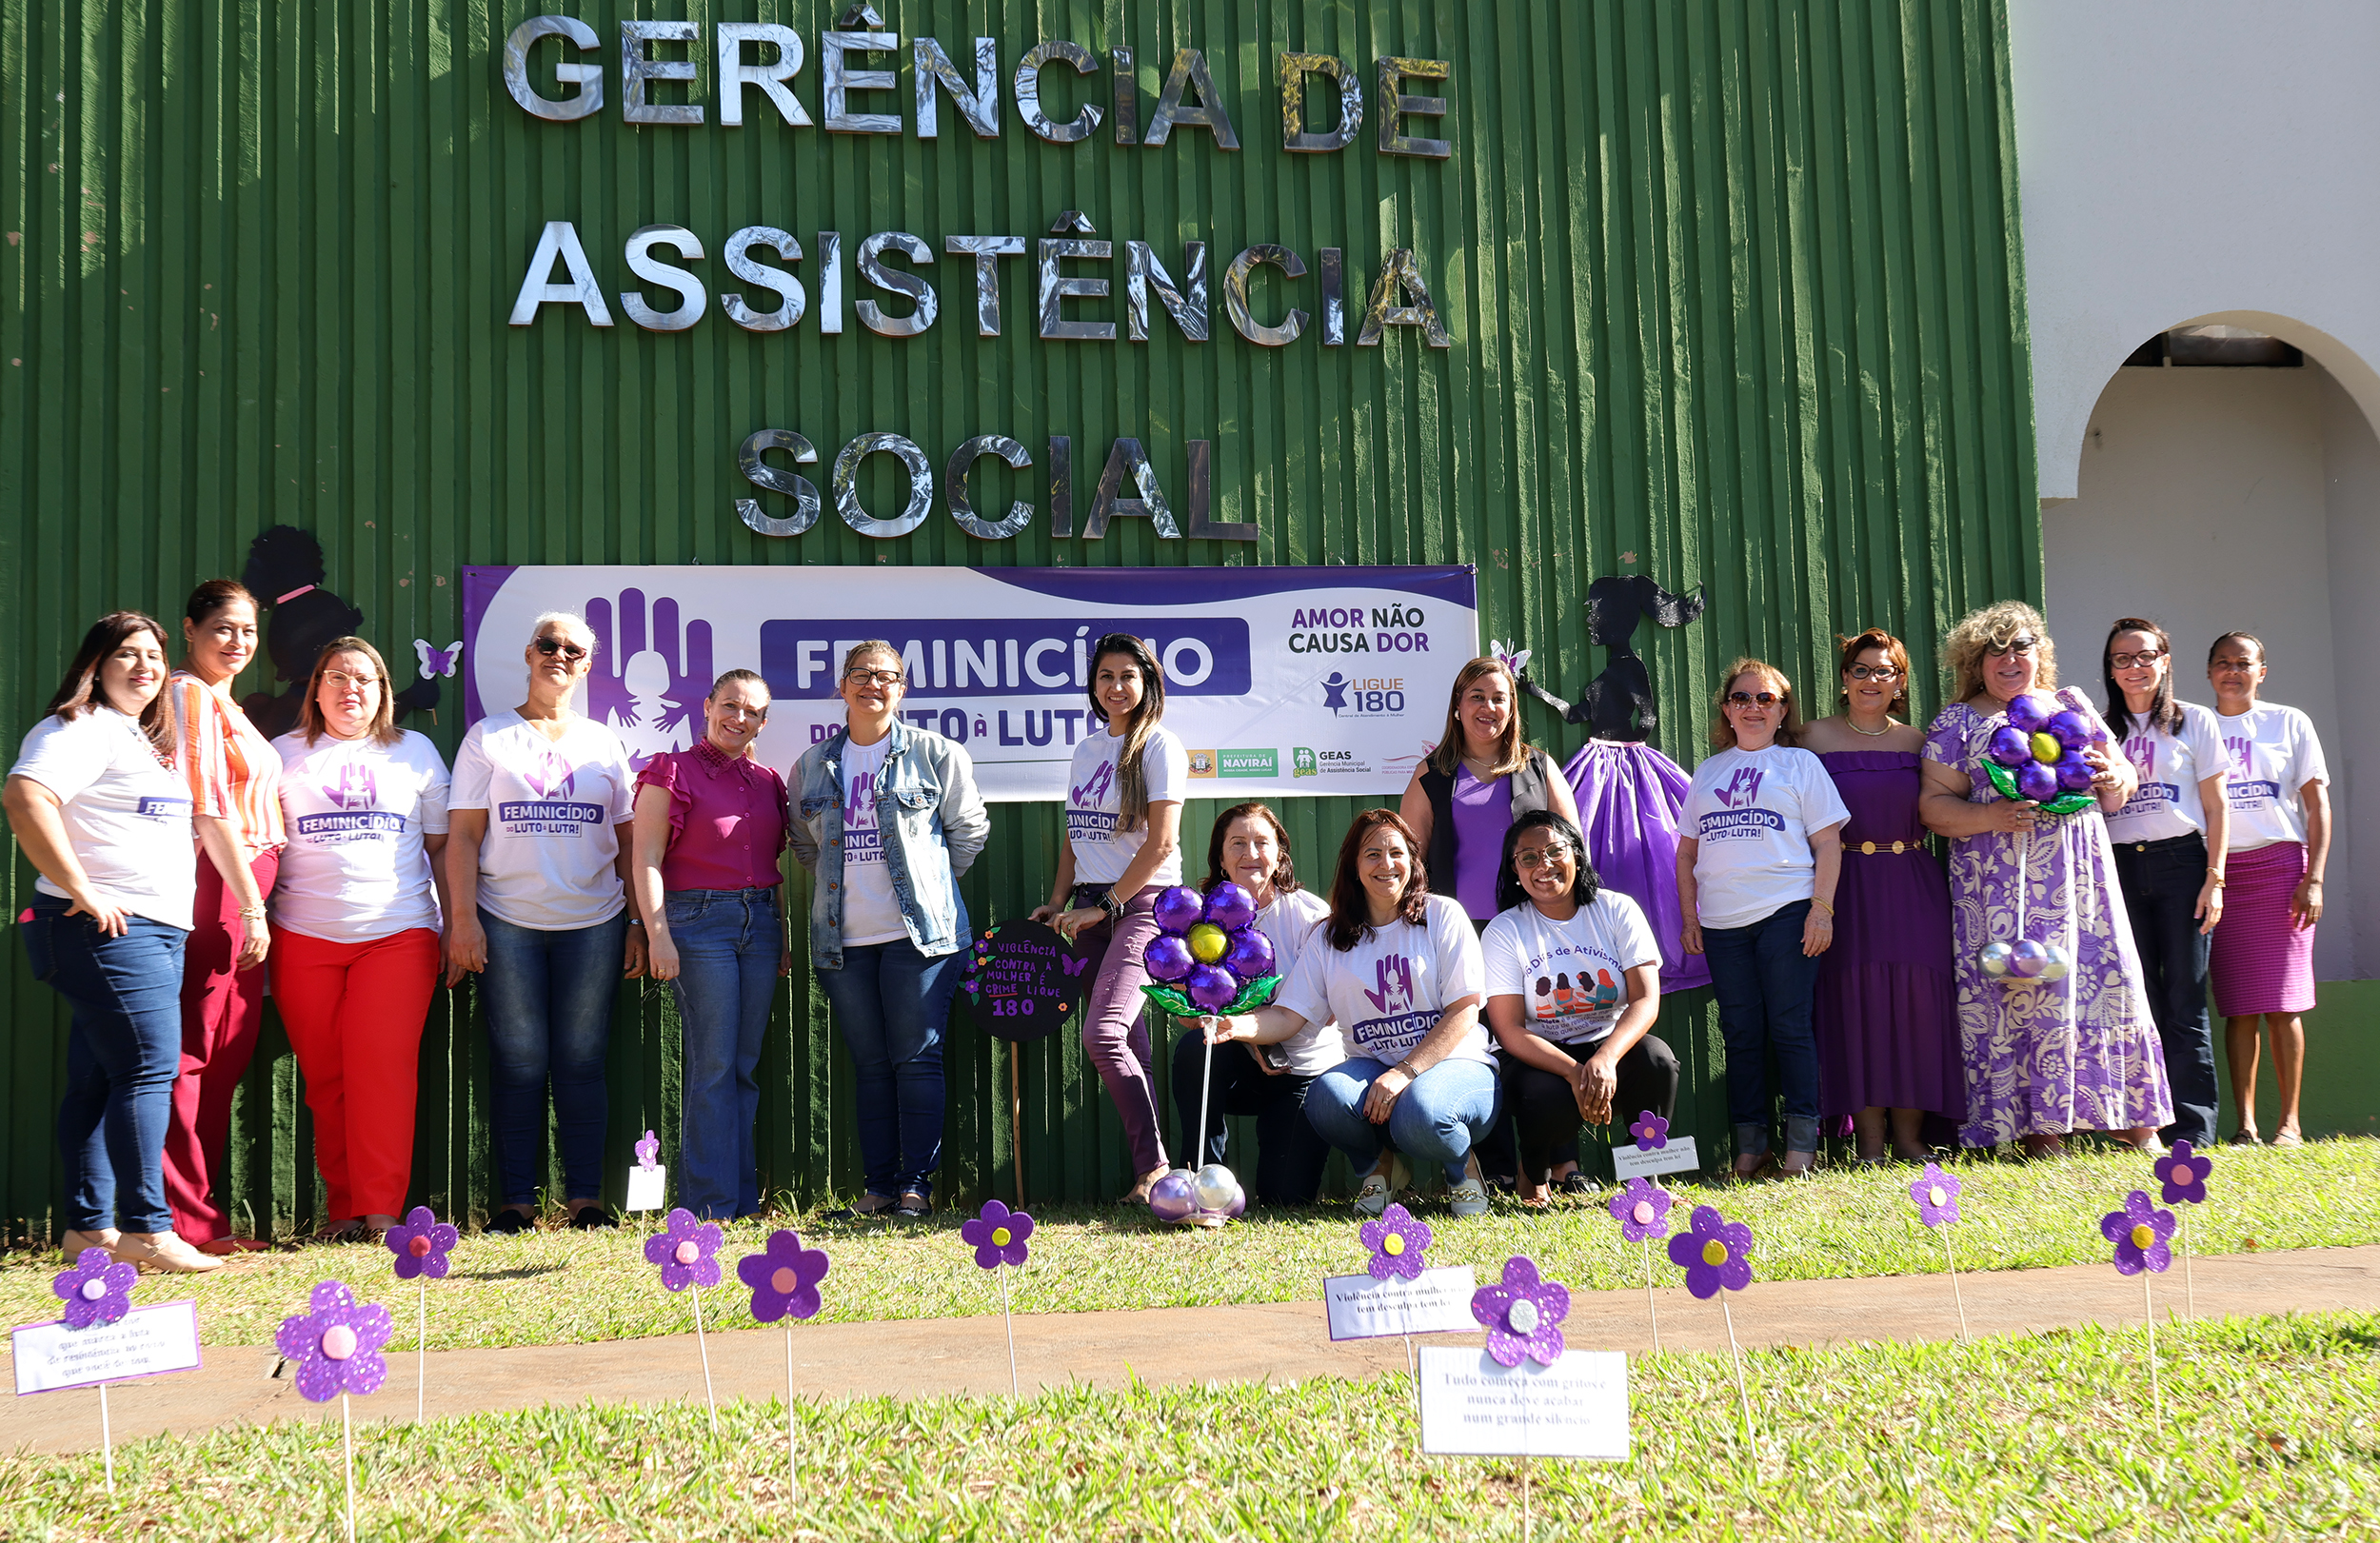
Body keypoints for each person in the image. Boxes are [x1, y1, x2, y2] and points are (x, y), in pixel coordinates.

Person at [6, 613, 221, 1273]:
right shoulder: (81, 726)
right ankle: (147, 1228)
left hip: (149, 931)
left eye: (154, 656)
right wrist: (83, 888)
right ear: (95, 663)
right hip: (106, 930)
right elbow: (24, 794)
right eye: (126, 654)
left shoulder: (135, 736)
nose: (144, 667)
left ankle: (87, 1227)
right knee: (147, 1069)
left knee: (98, 1078)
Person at [1917, 601, 2172, 1156]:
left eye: (2022, 646)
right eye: (1996, 649)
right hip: (2000, 891)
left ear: (2041, 654)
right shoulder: (1958, 722)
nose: (2011, 658)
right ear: (1974, 661)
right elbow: (1933, 808)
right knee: (2023, 993)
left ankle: (2134, 1123)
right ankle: (2040, 1132)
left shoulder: (2071, 704)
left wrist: (2115, 774)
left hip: (2082, 884)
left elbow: (2122, 777)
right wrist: (1990, 816)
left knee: (2106, 986)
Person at [446, 612, 644, 1234]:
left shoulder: (605, 742)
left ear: (588, 665)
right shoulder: (489, 736)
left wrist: (638, 921)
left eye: (573, 649)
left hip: (596, 921)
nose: (559, 654)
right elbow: (461, 839)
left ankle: (585, 1201)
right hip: (507, 921)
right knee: (520, 1060)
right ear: (529, 654)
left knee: (583, 1059)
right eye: (548, 644)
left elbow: (632, 839)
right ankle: (517, 1205)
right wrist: (462, 921)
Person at [1201, 809, 1496, 1218]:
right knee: (1325, 1098)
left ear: (1413, 860)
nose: (1386, 864)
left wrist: (1405, 1072)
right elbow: (1289, 1017)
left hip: (1457, 1065)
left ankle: (1462, 1171)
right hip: (1375, 1068)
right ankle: (1380, 1169)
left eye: (1396, 852)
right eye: (1372, 854)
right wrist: (1237, 1026)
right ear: (1355, 867)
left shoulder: (1441, 915)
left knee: (1421, 1111)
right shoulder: (1330, 936)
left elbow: (1464, 1010)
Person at [791, 643, 987, 1220]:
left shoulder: (936, 753)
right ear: (841, 685)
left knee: (916, 1060)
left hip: (920, 940)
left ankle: (915, 1188)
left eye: (886, 677)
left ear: (901, 688)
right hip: (843, 942)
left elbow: (968, 831)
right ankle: (877, 1188)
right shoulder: (813, 763)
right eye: (861, 675)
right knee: (871, 1065)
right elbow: (804, 843)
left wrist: (925, 884)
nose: (873, 685)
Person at [270, 639, 450, 1239]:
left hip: (396, 936)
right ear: (315, 688)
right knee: (326, 1078)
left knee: (383, 1072)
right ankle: (344, 1211)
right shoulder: (282, 755)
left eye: (365, 679)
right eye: (337, 677)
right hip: (302, 937)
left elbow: (444, 848)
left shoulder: (415, 752)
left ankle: (381, 1210)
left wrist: (458, 926)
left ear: (383, 693)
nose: (351, 689)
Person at [1399, 655, 1582, 1192]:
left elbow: (1570, 848)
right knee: (1480, 1048)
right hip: (1464, 935)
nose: (1489, 707)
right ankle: (1500, 1170)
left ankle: (1555, 1164)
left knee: (1547, 1035)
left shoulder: (1538, 767)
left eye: (1499, 697)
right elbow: (1411, 860)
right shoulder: (1431, 774)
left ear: (1512, 708)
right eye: (1477, 696)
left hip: (1531, 930)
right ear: (1457, 707)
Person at [1033, 634, 1190, 1205]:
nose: (1116, 686)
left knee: (1103, 1035)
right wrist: (1058, 901)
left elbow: (1162, 842)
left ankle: (1156, 1170)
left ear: (1147, 683)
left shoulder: (1160, 746)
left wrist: (1108, 906)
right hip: (1092, 907)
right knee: (1131, 1047)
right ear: (1093, 686)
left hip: (1145, 903)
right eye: (1105, 676)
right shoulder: (1085, 750)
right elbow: (1077, 838)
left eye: (1128, 675)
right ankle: (1151, 1179)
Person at [1677, 659, 1848, 1177]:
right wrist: (1691, 918)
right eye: (1742, 698)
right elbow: (1686, 855)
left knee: (1789, 1026)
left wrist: (1822, 910)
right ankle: (1750, 1147)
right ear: (1727, 710)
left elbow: (1828, 843)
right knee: (1741, 1032)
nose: (1753, 707)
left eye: (1765, 699)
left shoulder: (1800, 766)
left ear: (1782, 710)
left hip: (1787, 912)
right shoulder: (1708, 772)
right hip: (1724, 924)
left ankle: (1801, 1147)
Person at [1799, 629, 1962, 1162]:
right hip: (1842, 886)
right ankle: (1869, 1141)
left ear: (1901, 682)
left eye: (1885, 671)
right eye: (1862, 670)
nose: (1873, 680)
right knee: (1855, 1004)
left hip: (1913, 884)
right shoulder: (1810, 739)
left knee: (1917, 1006)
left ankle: (1912, 1137)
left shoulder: (1920, 742)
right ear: (1845, 680)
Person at [634, 669, 790, 1221]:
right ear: (707, 706)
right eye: (730, 705)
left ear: (764, 722)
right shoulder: (670, 770)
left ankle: (739, 1202)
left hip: (761, 926)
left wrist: (784, 938)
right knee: (715, 1065)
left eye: (751, 712)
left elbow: (774, 867)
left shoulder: (769, 780)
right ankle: (707, 1205)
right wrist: (658, 934)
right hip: (697, 925)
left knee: (743, 1067)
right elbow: (646, 858)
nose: (739, 718)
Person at [161, 580, 284, 1254]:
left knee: (226, 1050)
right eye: (223, 629)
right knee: (193, 1050)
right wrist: (250, 903)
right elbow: (207, 808)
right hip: (220, 885)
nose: (238, 642)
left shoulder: (226, 703)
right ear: (190, 628)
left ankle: (199, 1215)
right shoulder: (189, 693)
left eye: (249, 631)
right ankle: (185, 1220)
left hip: (243, 884)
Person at [1480, 810, 1675, 1204]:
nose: (1544, 865)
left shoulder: (1617, 909)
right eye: (1529, 857)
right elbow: (1509, 1029)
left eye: (1555, 851)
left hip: (1610, 1042)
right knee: (1543, 1093)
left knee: (1657, 1060)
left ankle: (1644, 1179)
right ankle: (1533, 1175)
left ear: (1578, 855)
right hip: (1540, 1054)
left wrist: (1605, 1057)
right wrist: (1573, 1071)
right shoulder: (1504, 930)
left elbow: (1645, 999)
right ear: (1515, 870)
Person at [2101, 619, 2230, 1150]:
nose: (2134, 668)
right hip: (2117, 868)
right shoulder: (2098, 727)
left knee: (2184, 1000)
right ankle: (2141, 1126)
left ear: (2165, 660)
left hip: (2182, 865)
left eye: (2144, 656)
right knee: (2136, 1001)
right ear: (2109, 669)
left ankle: (2193, 1132)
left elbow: (2218, 805)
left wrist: (2214, 879)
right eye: (2121, 659)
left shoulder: (2193, 720)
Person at [1170, 802, 1335, 1207]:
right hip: (1238, 1061)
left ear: (1280, 853)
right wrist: (1240, 1036)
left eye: (1262, 842)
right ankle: (1202, 1184)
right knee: (1196, 1052)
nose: (1250, 853)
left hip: (1301, 1070)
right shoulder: (1198, 918)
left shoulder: (1311, 916)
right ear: (1221, 858)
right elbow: (1185, 1005)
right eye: (1237, 843)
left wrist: (1245, 1029)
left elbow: (1321, 1011)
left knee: (1284, 1198)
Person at [2204, 631, 2329, 1148]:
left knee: (2284, 1004)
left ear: (2262, 671)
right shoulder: (2194, 724)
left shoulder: (2289, 722)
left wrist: (2314, 878)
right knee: (2238, 1006)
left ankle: (2290, 1125)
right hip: (2221, 875)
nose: (2233, 671)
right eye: (2222, 663)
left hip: (2282, 871)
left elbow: (2317, 806)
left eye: (2243, 662)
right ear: (2209, 672)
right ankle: (2247, 1126)